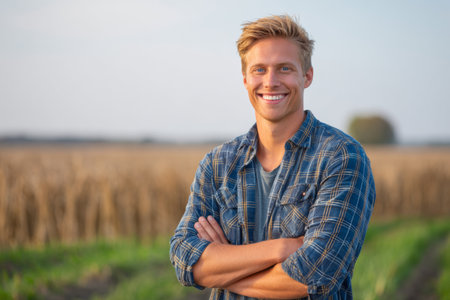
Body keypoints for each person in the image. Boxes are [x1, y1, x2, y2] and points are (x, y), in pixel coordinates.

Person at [170, 15, 375, 299]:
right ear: (245, 79)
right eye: (259, 70)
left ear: (307, 76)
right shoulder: (217, 165)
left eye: (284, 68)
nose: (271, 81)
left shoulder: (341, 158)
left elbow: (313, 276)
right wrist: (281, 249)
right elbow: (184, 259)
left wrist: (221, 267)